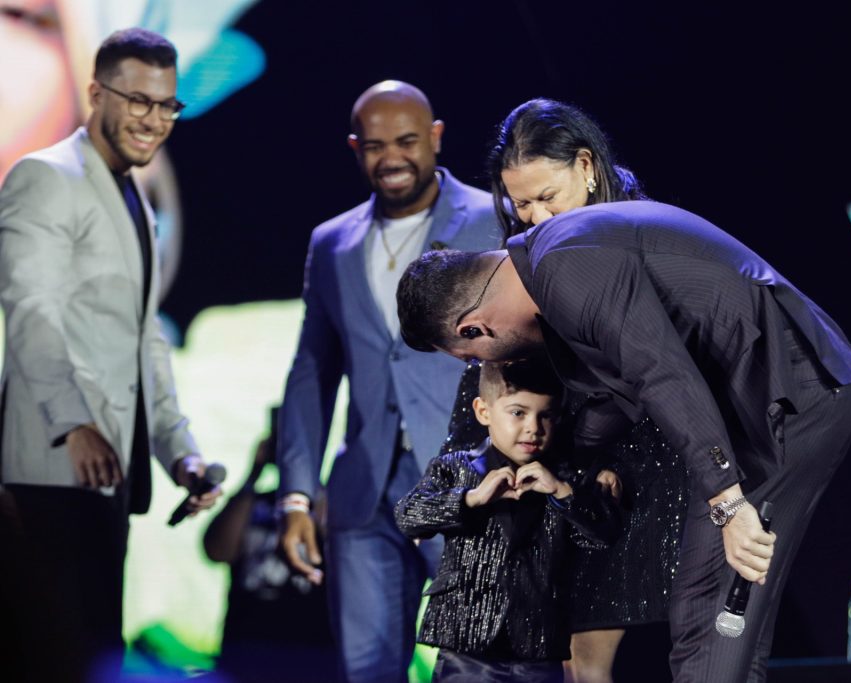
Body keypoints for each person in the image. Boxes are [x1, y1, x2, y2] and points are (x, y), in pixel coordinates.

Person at [396, 200, 851, 682]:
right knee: (722, 627)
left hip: (787, 397)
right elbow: (617, 394)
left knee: (710, 613)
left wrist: (728, 502)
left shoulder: (564, 267)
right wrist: (565, 463)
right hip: (769, 398)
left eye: (469, 355)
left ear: (474, 328)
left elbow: (662, 375)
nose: (480, 363)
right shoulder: (551, 260)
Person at [0, 28, 221, 682]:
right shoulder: (45, 176)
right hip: (47, 468)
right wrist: (73, 422)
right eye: (137, 101)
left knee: (97, 643)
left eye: (166, 106)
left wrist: (178, 449)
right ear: (95, 93)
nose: (153, 120)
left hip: (111, 476)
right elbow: (30, 310)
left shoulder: (133, 198)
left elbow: (142, 337)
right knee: (47, 644)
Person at [442, 98, 686, 683]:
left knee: (590, 659)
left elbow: (657, 371)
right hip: (557, 464)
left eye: (546, 199)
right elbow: (505, 357)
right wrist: (474, 453)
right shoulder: (528, 250)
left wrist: (609, 462)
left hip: (633, 469)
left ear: (586, 166)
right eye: (520, 203)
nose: (533, 216)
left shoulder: (642, 234)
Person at [275, 80, 501, 682]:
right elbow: (311, 373)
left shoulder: (492, 221)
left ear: (435, 138)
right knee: (368, 670)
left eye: (406, 141)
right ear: (356, 147)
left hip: (469, 484)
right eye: (375, 145)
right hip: (363, 492)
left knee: (475, 665)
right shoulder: (332, 243)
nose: (392, 158)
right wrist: (297, 494)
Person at [395, 357, 621, 683]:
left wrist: (562, 493)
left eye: (545, 415)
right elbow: (408, 516)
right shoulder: (456, 467)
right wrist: (470, 499)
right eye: (518, 413)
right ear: (483, 411)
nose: (533, 427)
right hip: (467, 647)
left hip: (537, 647)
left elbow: (603, 534)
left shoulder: (564, 477)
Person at [203, 415, 333, 683]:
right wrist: (253, 475)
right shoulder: (252, 502)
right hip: (245, 649)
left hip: (311, 655)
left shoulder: (326, 505)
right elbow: (217, 550)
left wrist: (306, 476)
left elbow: (338, 544)